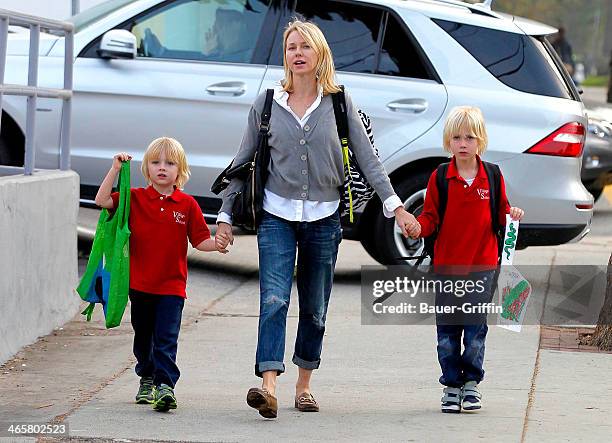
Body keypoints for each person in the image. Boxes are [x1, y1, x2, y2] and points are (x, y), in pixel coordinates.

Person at [215, 19, 418, 419]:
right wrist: (224, 214)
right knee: (273, 299)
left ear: (320, 53)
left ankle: (303, 385)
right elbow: (242, 163)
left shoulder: (340, 103)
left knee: (315, 308)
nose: (298, 53)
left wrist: (397, 208)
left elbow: (369, 161)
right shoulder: (267, 103)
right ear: (285, 55)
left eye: (305, 46)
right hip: (276, 214)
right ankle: (268, 384)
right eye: (291, 46)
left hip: (325, 219)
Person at [95, 137, 228, 412]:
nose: (162, 168)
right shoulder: (134, 199)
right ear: (146, 168)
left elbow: (200, 240)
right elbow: (102, 200)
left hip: (172, 287)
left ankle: (165, 385)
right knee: (143, 337)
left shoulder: (187, 204)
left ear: (181, 170)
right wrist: (115, 170)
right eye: (155, 163)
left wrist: (217, 245)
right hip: (140, 285)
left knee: (166, 337)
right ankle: (146, 376)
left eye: (169, 163)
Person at [410, 106, 524, 413]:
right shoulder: (440, 178)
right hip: (447, 269)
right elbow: (431, 217)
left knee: (475, 331)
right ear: (449, 141)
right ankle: (451, 385)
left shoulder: (493, 176)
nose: (463, 143)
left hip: (483, 267)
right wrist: (418, 226)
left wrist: (512, 214)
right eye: (457, 137)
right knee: (447, 333)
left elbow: (501, 214)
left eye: (470, 137)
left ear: (480, 140)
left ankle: (471, 384)